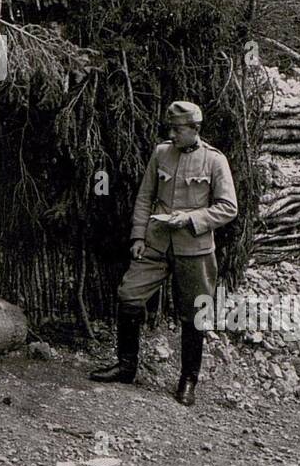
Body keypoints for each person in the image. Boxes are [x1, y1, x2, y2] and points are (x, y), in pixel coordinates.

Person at [90, 100, 237, 405]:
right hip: (156, 243)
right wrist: (138, 236)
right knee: (129, 296)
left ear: (195, 129)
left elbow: (228, 208)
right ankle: (127, 367)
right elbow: (145, 197)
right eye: (170, 128)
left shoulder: (214, 161)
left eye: (178, 129)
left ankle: (188, 380)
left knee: (194, 313)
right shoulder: (161, 153)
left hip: (194, 248)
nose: (172, 133)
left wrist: (191, 219)